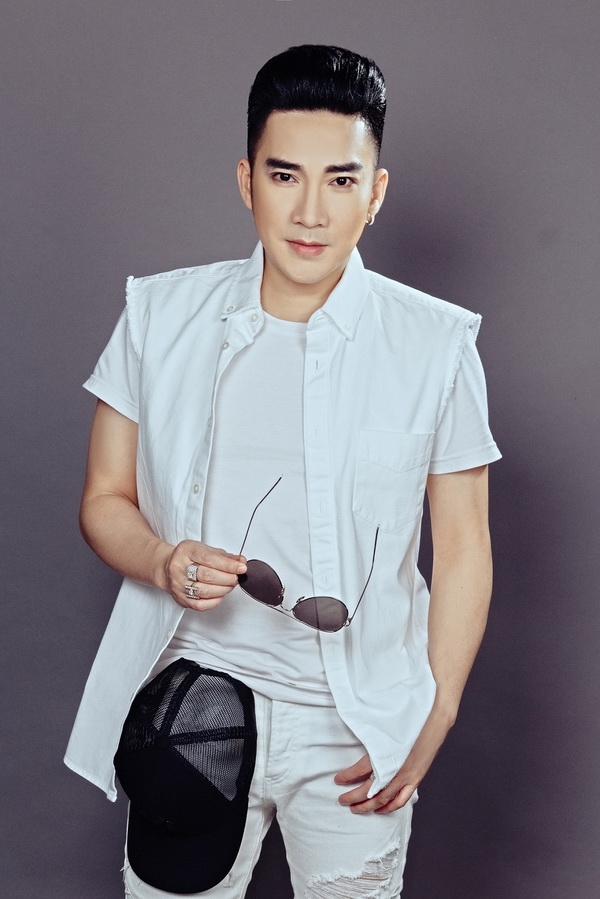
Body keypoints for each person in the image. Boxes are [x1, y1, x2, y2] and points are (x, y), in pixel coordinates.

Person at [65, 44, 501, 898]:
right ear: (246, 180)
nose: (309, 211)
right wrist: (161, 559)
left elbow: (463, 547)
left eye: (340, 180)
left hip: (356, 725)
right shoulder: (159, 315)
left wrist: (437, 710)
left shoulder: (435, 345)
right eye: (284, 175)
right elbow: (104, 498)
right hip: (193, 707)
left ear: (376, 192)